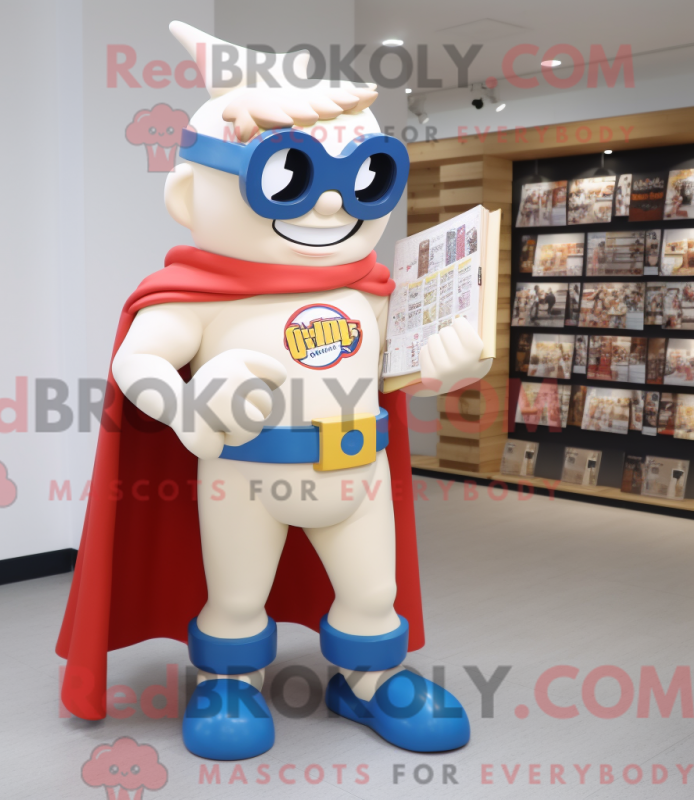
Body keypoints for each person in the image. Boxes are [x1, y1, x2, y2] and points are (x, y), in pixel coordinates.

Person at [56, 22, 491, 760]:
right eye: (290, 176)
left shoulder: (372, 291)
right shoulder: (196, 296)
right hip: (244, 474)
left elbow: (397, 373)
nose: (329, 206)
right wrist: (186, 405)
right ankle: (229, 680)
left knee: (371, 593)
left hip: (358, 472)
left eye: (365, 177)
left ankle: (371, 677)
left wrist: (449, 369)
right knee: (235, 596)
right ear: (189, 195)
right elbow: (140, 362)